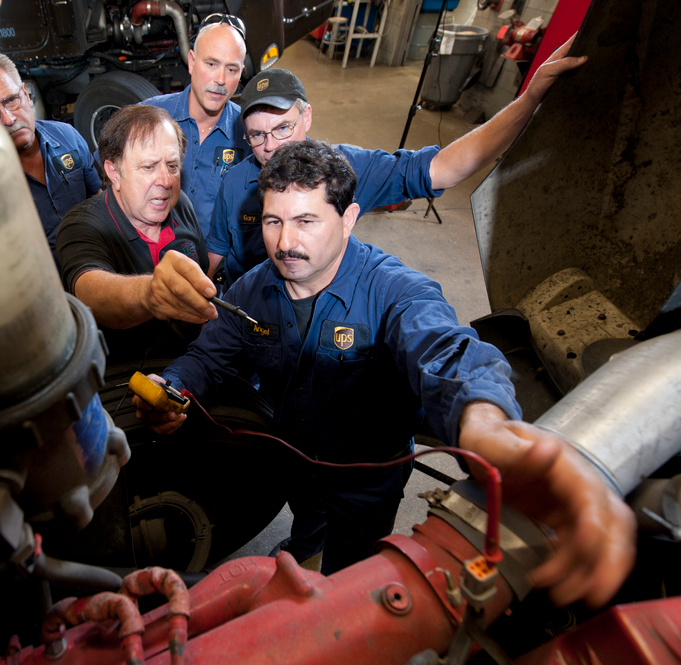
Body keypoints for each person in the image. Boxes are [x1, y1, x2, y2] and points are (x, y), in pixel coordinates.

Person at [133, 141, 635, 608]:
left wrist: (486, 425)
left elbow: (446, 352)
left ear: (349, 219)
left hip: (366, 480)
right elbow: (207, 356)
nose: (285, 242)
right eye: (273, 222)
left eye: (307, 221)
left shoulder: (396, 291)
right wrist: (171, 387)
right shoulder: (252, 289)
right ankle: (306, 538)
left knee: (347, 583)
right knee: (306, 519)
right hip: (293, 458)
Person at [206, 35, 587, 288]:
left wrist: (528, 99)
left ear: (306, 117)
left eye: (284, 127)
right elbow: (215, 257)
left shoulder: (345, 168)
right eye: (258, 134)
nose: (272, 145)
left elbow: (446, 167)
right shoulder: (236, 182)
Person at [55, 105, 220, 364]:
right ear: (113, 172)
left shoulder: (180, 204)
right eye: (148, 167)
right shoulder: (81, 225)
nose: (166, 181)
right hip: (121, 377)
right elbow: (89, 291)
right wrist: (150, 294)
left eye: (173, 166)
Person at [0, 50, 102, 267]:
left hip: (96, 269)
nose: (9, 118)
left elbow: (97, 199)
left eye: (11, 100)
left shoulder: (68, 137)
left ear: (25, 93)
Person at [142, 14, 252, 235]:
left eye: (231, 69)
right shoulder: (149, 117)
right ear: (191, 62)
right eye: (212, 64)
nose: (220, 79)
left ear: (241, 74)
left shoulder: (251, 134)